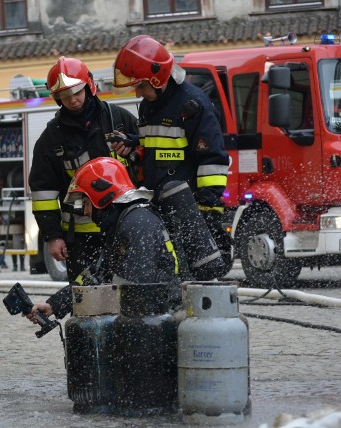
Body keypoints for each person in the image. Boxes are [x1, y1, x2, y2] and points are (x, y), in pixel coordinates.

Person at [111, 34, 231, 278]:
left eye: (140, 86)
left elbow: (213, 161)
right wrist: (133, 145)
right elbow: (153, 146)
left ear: (157, 79)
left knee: (194, 282)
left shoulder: (193, 105)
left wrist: (207, 210)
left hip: (191, 212)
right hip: (160, 208)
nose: (137, 94)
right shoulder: (148, 106)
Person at [27, 157, 179, 322]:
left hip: (166, 315)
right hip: (156, 314)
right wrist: (54, 305)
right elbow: (96, 276)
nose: (85, 212)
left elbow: (136, 290)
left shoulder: (136, 223)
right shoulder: (124, 221)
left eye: (85, 203)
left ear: (100, 196)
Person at [28, 56, 139, 282]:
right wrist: (53, 236)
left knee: (129, 295)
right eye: (65, 96)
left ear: (89, 86)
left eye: (77, 92)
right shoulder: (51, 138)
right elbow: (43, 194)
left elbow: (145, 160)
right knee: (86, 299)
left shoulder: (118, 119)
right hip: (80, 237)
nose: (73, 100)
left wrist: (134, 151)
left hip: (124, 227)